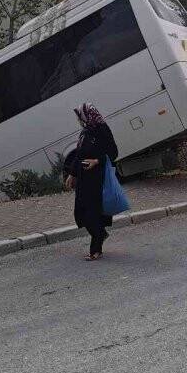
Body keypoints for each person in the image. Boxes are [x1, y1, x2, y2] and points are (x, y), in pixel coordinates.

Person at [63, 104, 119, 262]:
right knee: (81, 213)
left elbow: (113, 153)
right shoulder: (85, 132)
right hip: (83, 179)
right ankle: (100, 234)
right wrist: (72, 174)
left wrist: (96, 161)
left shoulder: (102, 130)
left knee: (92, 214)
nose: (79, 120)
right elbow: (79, 154)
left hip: (97, 179)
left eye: (80, 116)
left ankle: (96, 249)